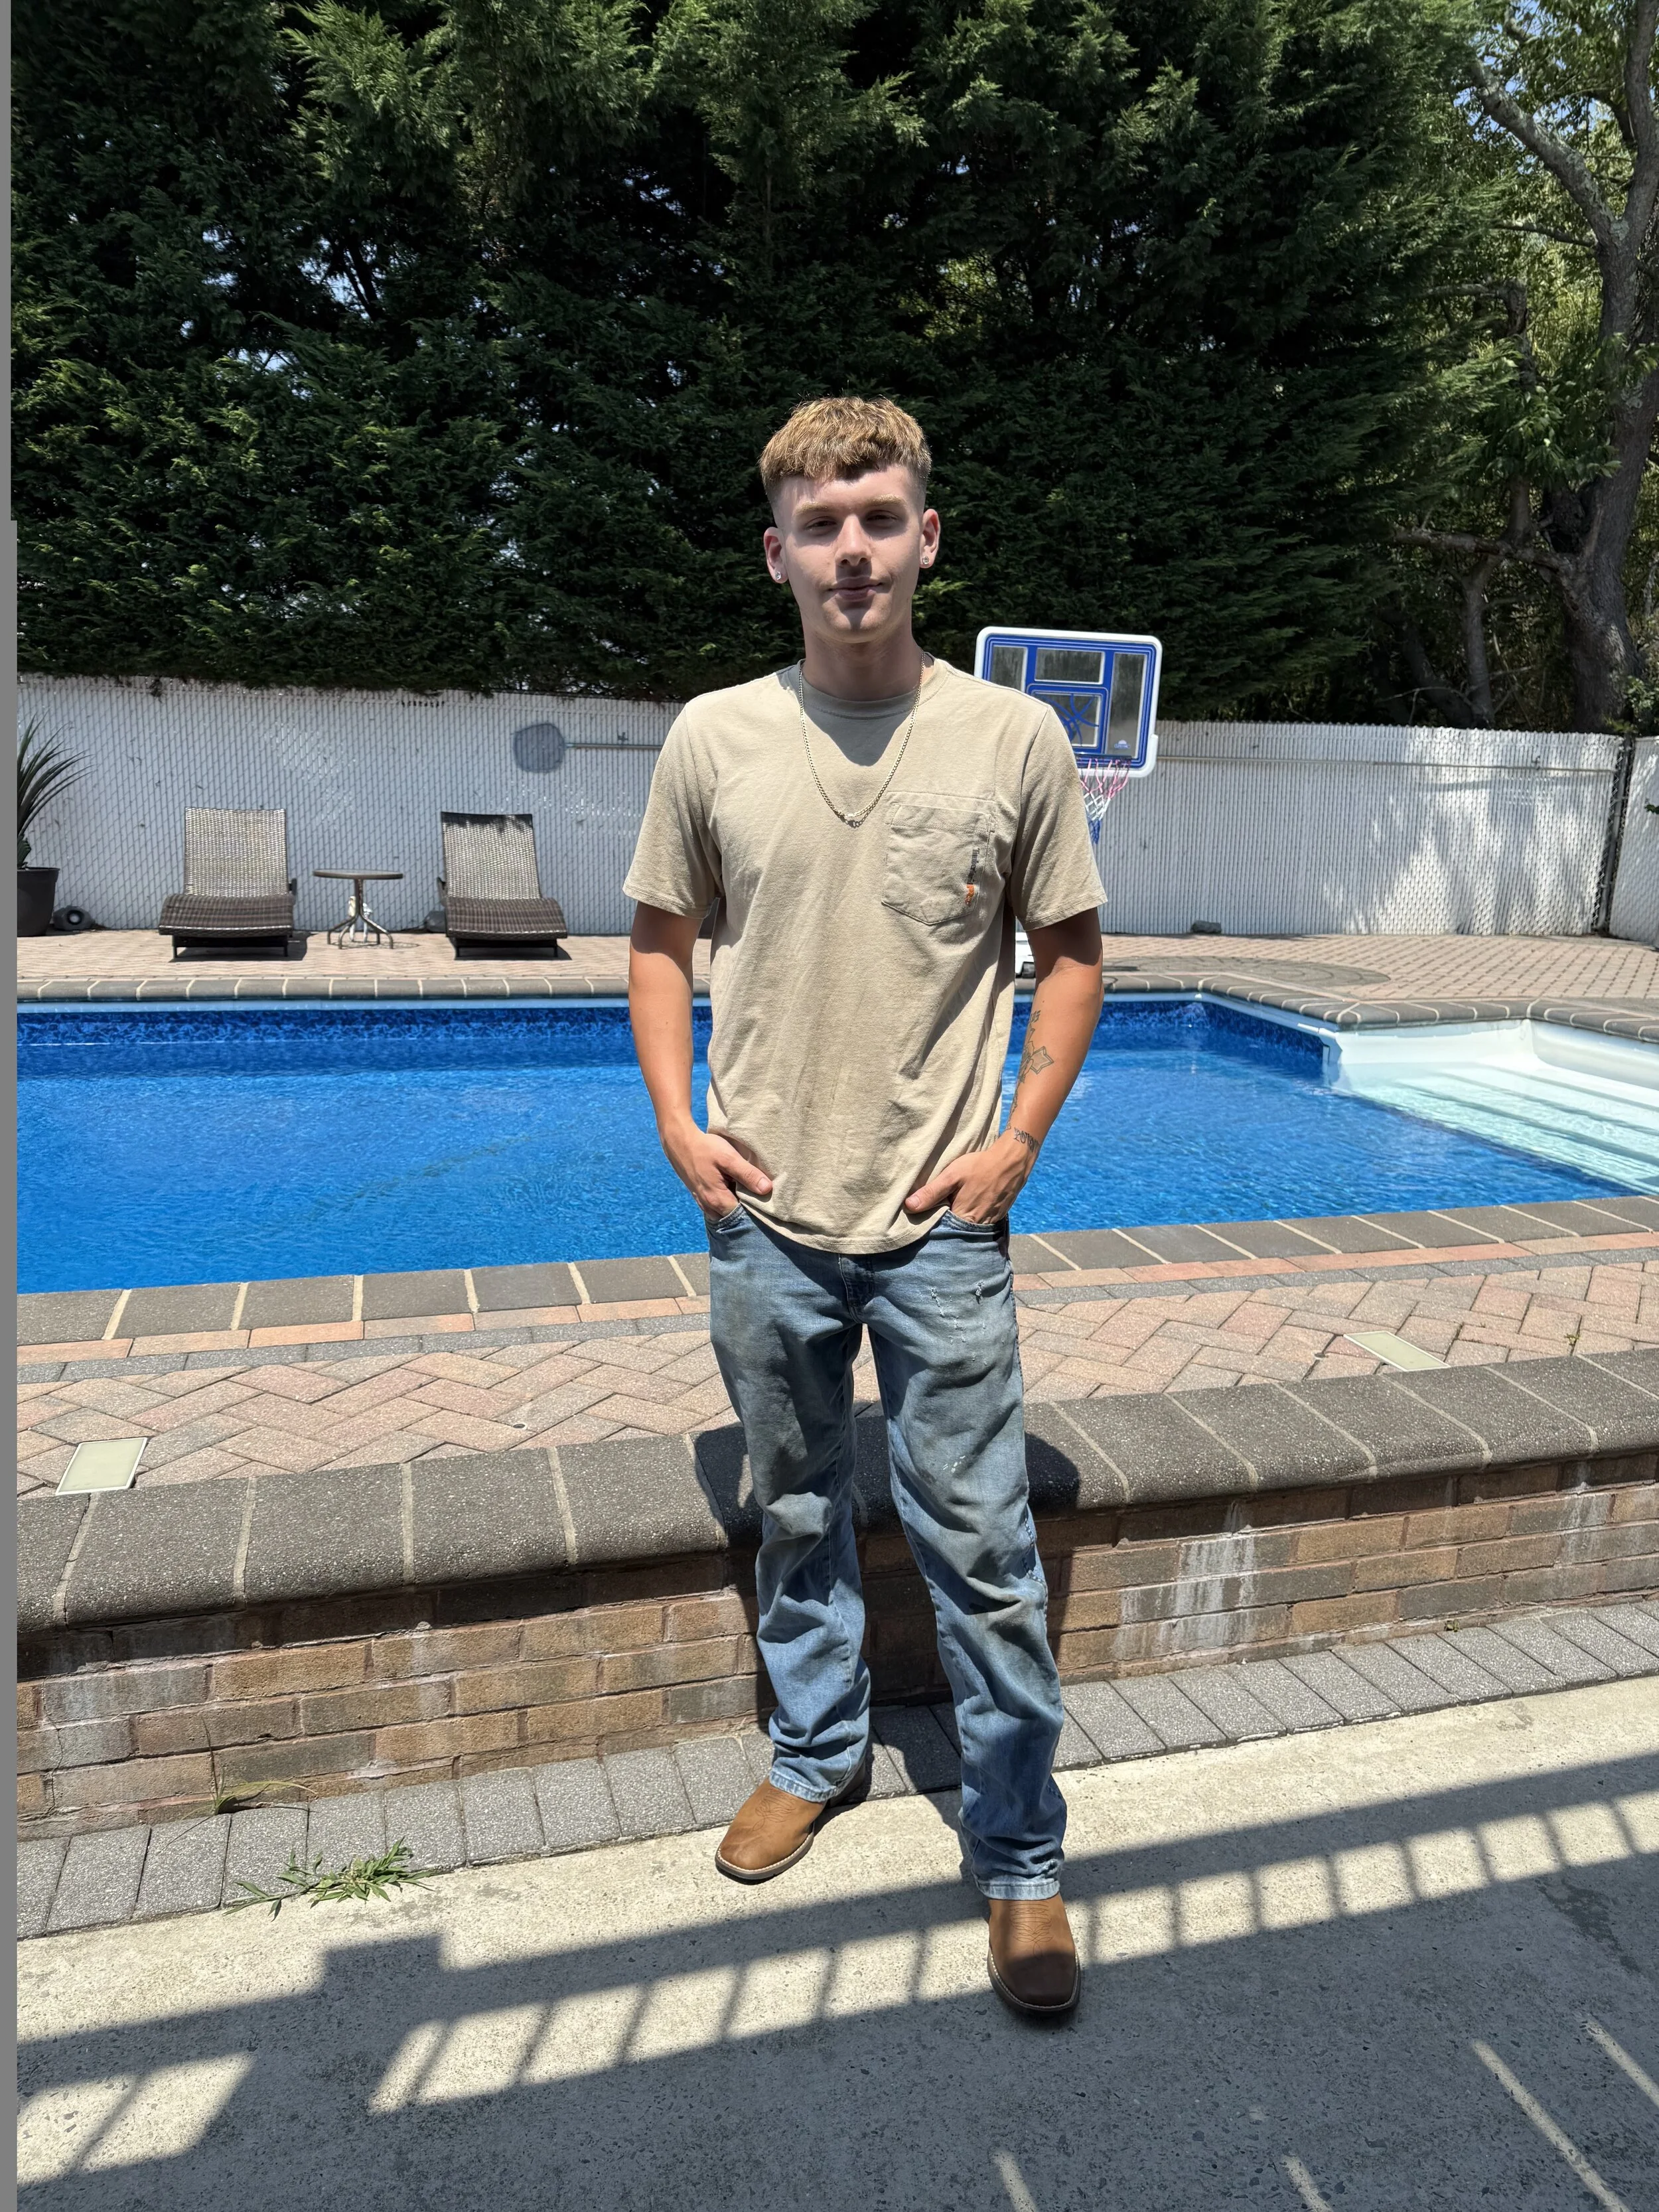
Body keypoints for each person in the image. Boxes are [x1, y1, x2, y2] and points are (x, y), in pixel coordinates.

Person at [624, 396, 1105, 2018]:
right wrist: (680, 1127)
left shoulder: (1010, 742)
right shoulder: (711, 737)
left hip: (940, 1224)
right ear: (777, 552)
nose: (852, 550)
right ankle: (814, 1754)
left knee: (979, 1543)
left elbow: (1076, 956)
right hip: (764, 1213)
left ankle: (1021, 1858)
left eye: (879, 518)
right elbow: (656, 941)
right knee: (799, 1506)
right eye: (820, 526)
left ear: (924, 539)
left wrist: (1016, 1142)